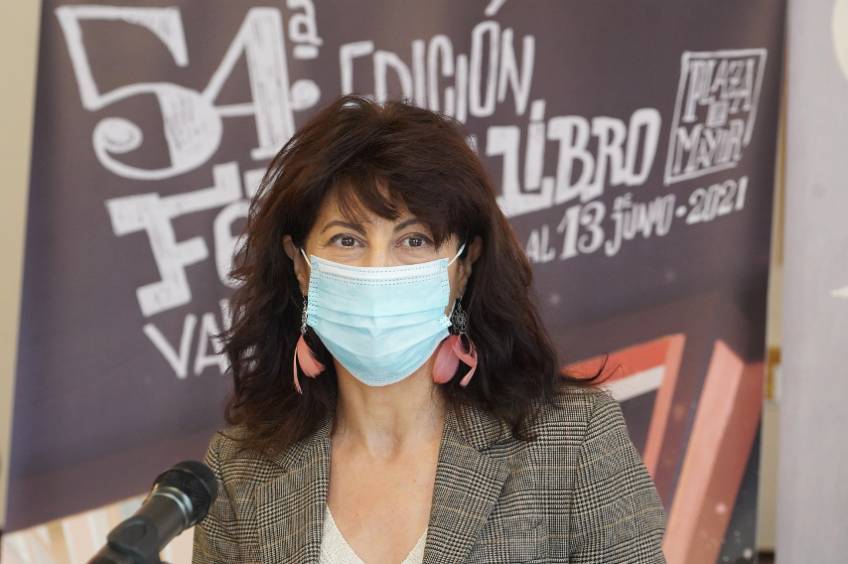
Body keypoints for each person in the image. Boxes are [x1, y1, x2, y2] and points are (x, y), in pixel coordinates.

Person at [192, 94, 667, 564]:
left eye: (414, 240)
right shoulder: (238, 470)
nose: (378, 269)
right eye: (347, 240)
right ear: (301, 266)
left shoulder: (574, 439)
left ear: (464, 266)